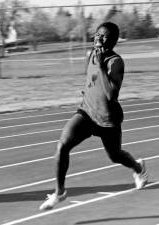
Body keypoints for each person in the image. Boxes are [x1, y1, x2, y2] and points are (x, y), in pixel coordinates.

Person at [39, 22, 148, 210]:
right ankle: (59, 192)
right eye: (97, 34)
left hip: (108, 119)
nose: (98, 38)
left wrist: (99, 67)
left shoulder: (116, 62)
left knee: (115, 156)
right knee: (62, 146)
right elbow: (89, 80)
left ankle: (138, 169)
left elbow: (111, 94)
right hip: (87, 112)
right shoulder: (90, 55)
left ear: (113, 40)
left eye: (104, 36)